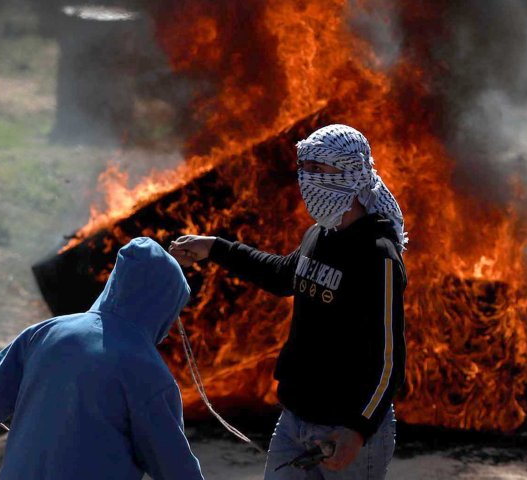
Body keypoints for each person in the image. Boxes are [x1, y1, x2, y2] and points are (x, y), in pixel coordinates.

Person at [170, 124, 407, 479]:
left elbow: (389, 360)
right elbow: (282, 275)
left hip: (345, 430)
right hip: (295, 419)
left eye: (318, 168)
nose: (307, 179)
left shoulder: (378, 255)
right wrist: (215, 248)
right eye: (304, 168)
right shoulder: (319, 235)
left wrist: (358, 429)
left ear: (350, 173)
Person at [0, 237, 204, 480]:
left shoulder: (47, 332)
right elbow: (175, 467)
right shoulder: (150, 373)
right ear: (164, 306)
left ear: (115, 284)